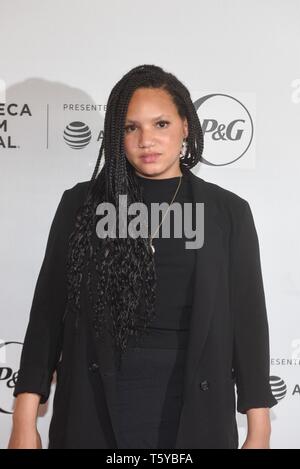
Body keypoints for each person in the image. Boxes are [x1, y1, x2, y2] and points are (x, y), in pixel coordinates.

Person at [8, 64, 277, 449]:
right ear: (118, 134)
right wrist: (24, 418)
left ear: (186, 126)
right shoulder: (81, 205)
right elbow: (48, 314)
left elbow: (249, 325)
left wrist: (260, 428)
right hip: (94, 405)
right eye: (131, 127)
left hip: (194, 408)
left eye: (161, 124)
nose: (146, 140)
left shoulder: (227, 211)